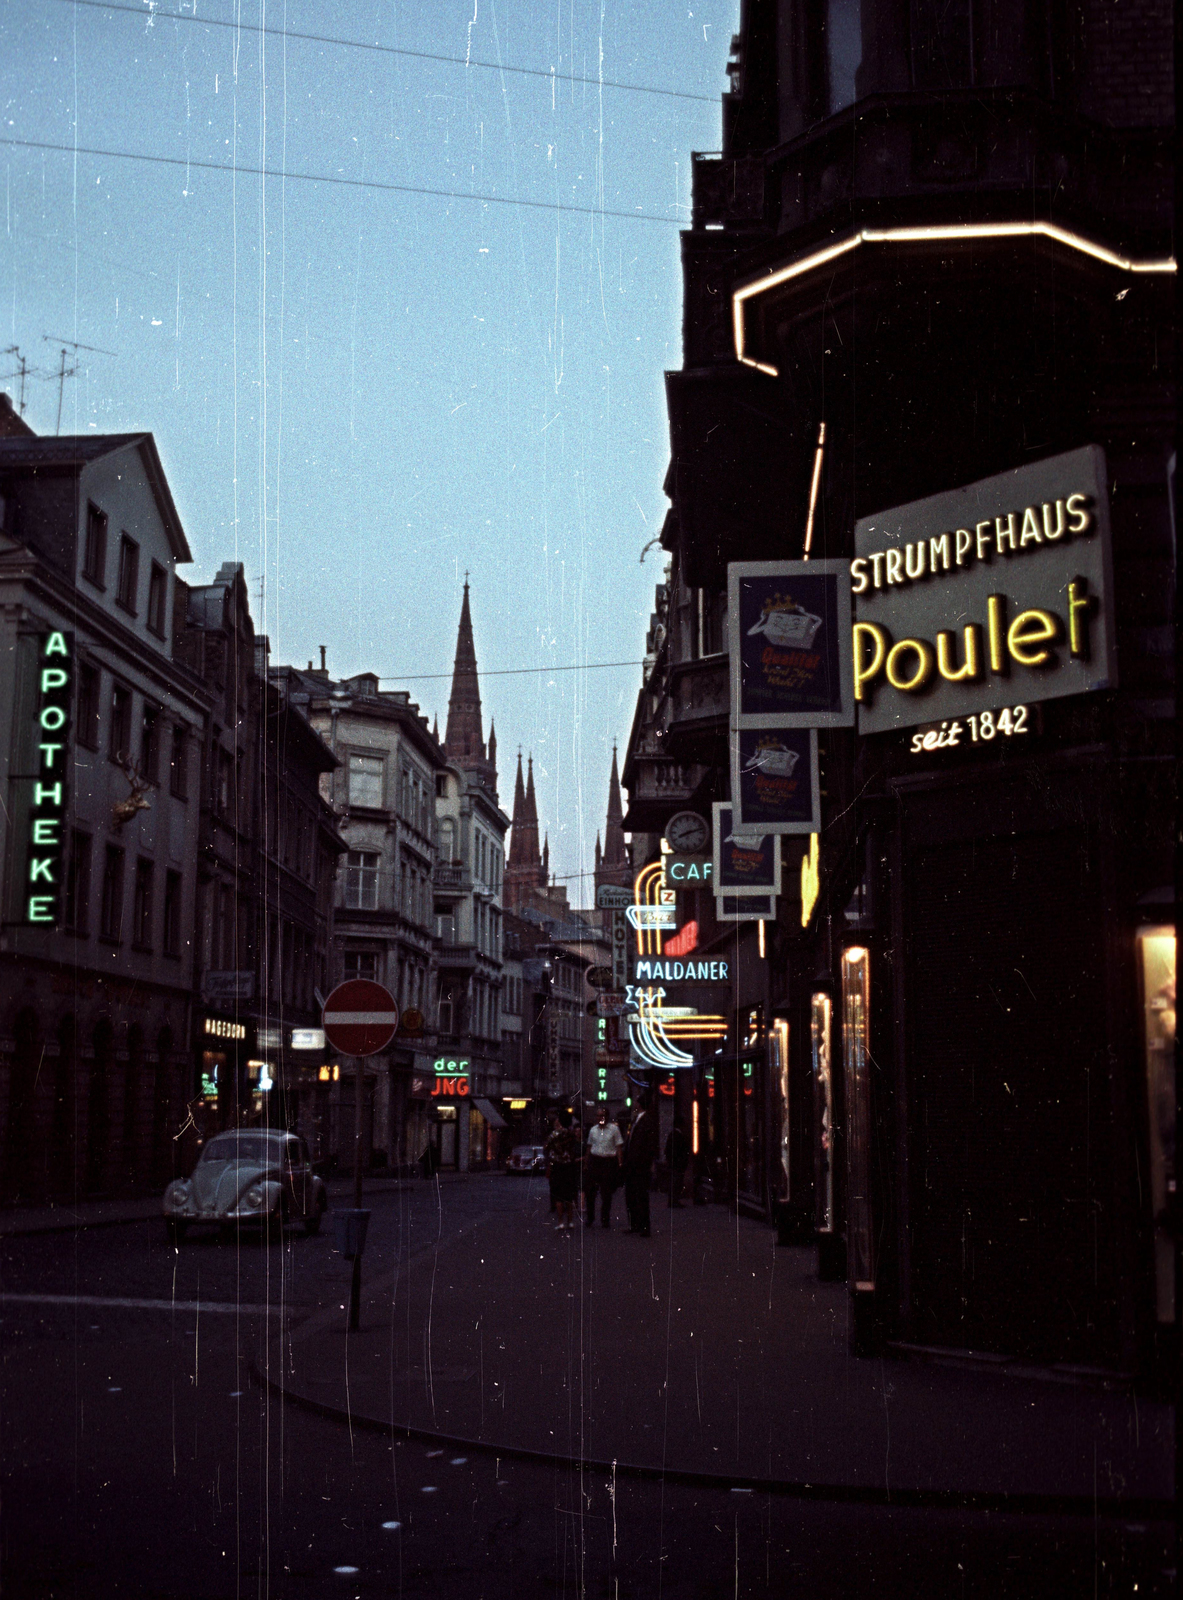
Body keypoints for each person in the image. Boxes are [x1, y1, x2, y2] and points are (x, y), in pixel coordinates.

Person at [622, 1093, 658, 1236]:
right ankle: (635, 1224)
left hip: (640, 1165)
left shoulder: (647, 1121)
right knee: (631, 1195)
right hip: (632, 1164)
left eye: (636, 1102)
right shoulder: (636, 1119)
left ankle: (644, 1226)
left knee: (641, 1195)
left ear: (640, 1104)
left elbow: (649, 1145)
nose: (634, 1104)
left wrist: (647, 1162)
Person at [584, 1106, 623, 1227]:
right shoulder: (593, 1130)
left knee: (606, 1193)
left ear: (607, 1117)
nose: (600, 1118)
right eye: (598, 1115)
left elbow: (618, 1147)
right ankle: (590, 1218)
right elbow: (589, 1147)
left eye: (603, 1115)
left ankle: (605, 1219)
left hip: (608, 1162)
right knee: (590, 1192)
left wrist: (620, 1163)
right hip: (595, 1161)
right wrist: (586, 1163)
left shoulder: (614, 1129)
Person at [544, 1108, 582, 1231]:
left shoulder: (554, 1135)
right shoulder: (571, 1134)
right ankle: (570, 1221)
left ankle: (560, 1222)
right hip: (569, 1166)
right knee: (569, 1195)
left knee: (558, 1196)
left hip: (557, 1166)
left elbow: (546, 1148)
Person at [665, 1114, 691, 1208]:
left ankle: (673, 1201)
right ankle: (674, 1201)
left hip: (674, 1163)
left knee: (675, 1182)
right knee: (676, 1182)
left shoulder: (672, 1135)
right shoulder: (677, 1135)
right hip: (677, 1164)